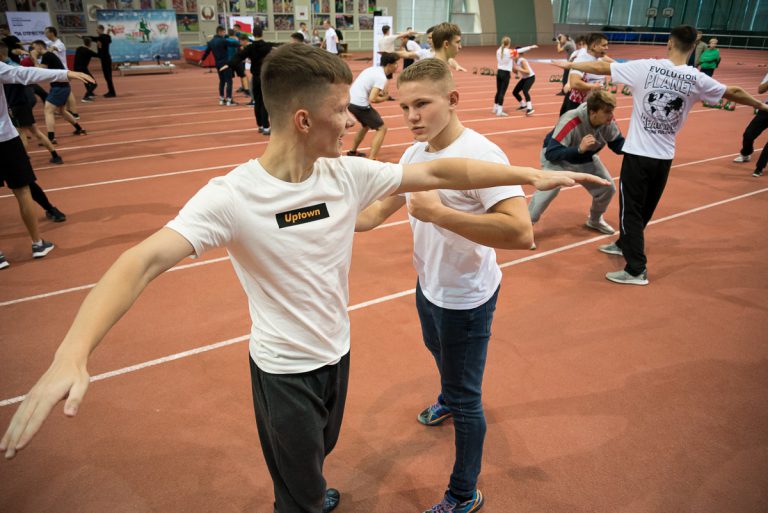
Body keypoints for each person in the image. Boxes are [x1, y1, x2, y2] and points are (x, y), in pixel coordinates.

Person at [0, 44, 605, 513]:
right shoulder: (231, 196)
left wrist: (530, 173)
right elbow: (140, 261)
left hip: (337, 354)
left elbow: (442, 172)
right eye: (342, 111)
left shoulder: (344, 176)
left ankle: (310, 485)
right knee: (297, 492)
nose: (354, 120)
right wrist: (72, 353)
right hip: (284, 370)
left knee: (317, 455)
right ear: (303, 119)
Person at [353, 58, 608, 513]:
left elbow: (520, 233)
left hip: (466, 299)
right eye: (404, 107)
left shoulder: (483, 156)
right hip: (429, 285)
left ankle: (463, 493)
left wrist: (439, 214)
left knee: (469, 401)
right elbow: (373, 214)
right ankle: (447, 396)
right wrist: (315, 216)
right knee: (437, 352)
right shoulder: (415, 153)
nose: (411, 116)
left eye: (422, 104)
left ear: (452, 99)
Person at [556, 25, 768, 285]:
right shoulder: (696, 78)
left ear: (669, 43)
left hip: (638, 156)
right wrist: (760, 105)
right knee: (644, 209)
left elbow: (601, 68)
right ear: (693, 47)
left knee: (631, 210)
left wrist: (570, 66)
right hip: (664, 158)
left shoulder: (646, 67)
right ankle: (624, 244)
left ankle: (636, 270)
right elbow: (733, 92)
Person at [0, 51, 93, 268]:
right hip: (5, 138)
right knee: (23, 191)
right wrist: (66, 74)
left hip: (8, 136)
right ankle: (37, 243)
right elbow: (25, 74)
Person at [528, 90, 624, 244]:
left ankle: (594, 220)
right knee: (548, 191)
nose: (611, 116)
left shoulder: (608, 122)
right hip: (559, 159)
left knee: (607, 188)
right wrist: (578, 149)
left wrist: (638, 149)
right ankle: (524, 227)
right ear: (592, 112)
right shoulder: (571, 119)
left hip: (585, 158)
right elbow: (552, 153)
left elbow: (617, 144)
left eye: (612, 111)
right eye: (607, 112)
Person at [30, 40, 87, 144]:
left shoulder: (47, 55)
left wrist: (33, 58)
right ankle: (79, 129)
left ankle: (51, 138)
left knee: (48, 111)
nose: (32, 50)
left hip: (59, 88)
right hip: (62, 87)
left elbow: (40, 71)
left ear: (39, 46)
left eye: (34, 48)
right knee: (61, 110)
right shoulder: (48, 55)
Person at [346, 52, 399, 160]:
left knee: (365, 126)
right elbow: (373, 99)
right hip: (360, 104)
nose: (397, 66)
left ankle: (352, 151)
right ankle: (372, 159)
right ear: (389, 65)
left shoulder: (372, 69)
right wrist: (385, 98)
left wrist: (380, 94)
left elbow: (367, 87)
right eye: (396, 63)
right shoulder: (381, 77)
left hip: (350, 100)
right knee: (382, 128)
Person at [223, 25, 273, 134]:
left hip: (255, 78)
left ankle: (260, 126)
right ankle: (266, 127)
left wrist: (229, 64)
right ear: (262, 33)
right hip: (264, 78)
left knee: (257, 102)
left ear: (253, 34)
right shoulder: (267, 46)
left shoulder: (250, 48)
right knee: (264, 102)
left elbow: (239, 56)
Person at [560, 32, 609, 115]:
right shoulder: (581, 60)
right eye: (604, 45)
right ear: (594, 46)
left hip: (595, 105)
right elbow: (575, 83)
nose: (607, 48)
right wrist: (593, 86)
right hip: (579, 106)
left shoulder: (599, 59)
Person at [733, 72, 768, 177]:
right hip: (766, 109)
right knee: (748, 134)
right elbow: (760, 90)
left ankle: (759, 167)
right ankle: (746, 153)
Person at [44, 26, 80, 119]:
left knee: (68, 92)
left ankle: (75, 113)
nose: (45, 34)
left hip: (63, 71)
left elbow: (52, 49)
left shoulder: (59, 44)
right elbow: (42, 43)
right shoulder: (50, 42)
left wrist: (44, 52)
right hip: (57, 71)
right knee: (65, 91)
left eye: (46, 32)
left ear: (52, 33)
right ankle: (67, 110)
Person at [199, 25, 240, 106]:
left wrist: (202, 59)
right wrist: (240, 43)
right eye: (224, 32)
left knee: (222, 81)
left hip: (217, 64)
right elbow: (233, 44)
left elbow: (207, 52)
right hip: (225, 63)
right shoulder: (223, 40)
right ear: (220, 32)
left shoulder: (211, 42)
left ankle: (221, 99)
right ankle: (229, 100)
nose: (224, 34)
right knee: (229, 81)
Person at [79, 24, 116, 97]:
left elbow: (93, 38)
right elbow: (97, 38)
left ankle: (112, 92)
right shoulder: (104, 37)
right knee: (107, 76)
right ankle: (111, 91)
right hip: (105, 59)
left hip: (106, 59)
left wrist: (82, 37)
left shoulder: (102, 38)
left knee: (108, 76)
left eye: (97, 29)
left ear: (101, 29)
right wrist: (108, 31)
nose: (96, 30)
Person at [511, 46, 537, 116]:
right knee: (515, 92)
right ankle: (523, 105)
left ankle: (530, 108)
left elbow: (528, 72)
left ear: (518, 54)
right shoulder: (514, 60)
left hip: (530, 77)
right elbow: (515, 72)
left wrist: (519, 69)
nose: (513, 55)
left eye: (515, 54)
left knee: (525, 91)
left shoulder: (522, 60)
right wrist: (514, 68)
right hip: (524, 78)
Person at [73, 37, 99, 102]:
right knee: (94, 84)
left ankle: (90, 94)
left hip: (76, 68)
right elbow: (98, 55)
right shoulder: (88, 51)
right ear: (90, 44)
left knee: (86, 81)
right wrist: (99, 47)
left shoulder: (79, 49)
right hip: (82, 69)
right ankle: (85, 97)